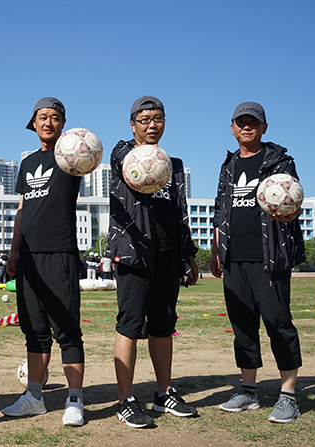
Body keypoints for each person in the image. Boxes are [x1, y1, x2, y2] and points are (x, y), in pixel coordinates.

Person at [107, 96, 198, 429]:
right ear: (132, 124)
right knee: (130, 325)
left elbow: (180, 210)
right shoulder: (122, 154)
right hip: (134, 253)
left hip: (168, 253)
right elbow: (121, 159)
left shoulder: (173, 165)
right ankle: (126, 399)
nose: (151, 125)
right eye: (144, 119)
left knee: (163, 325)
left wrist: (188, 253)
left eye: (158, 118)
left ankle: (164, 393)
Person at [211, 102, 305, 423]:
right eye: (242, 122)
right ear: (233, 128)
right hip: (234, 258)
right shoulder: (229, 165)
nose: (247, 127)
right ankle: (248, 391)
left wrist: (289, 211)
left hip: (269, 258)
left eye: (253, 122)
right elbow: (220, 209)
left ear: (264, 127)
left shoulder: (280, 161)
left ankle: (288, 396)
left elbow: (293, 201)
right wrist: (216, 250)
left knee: (278, 324)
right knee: (242, 327)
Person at [1, 97, 85, 427]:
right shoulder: (27, 162)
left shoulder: (71, 157)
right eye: (42, 117)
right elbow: (23, 208)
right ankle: (34, 397)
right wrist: (14, 250)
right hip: (28, 257)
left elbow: (88, 152)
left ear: (63, 124)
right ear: (33, 124)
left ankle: (74, 400)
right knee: (34, 331)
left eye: (54, 117)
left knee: (67, 330)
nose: (48, 122)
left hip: (59, 253)